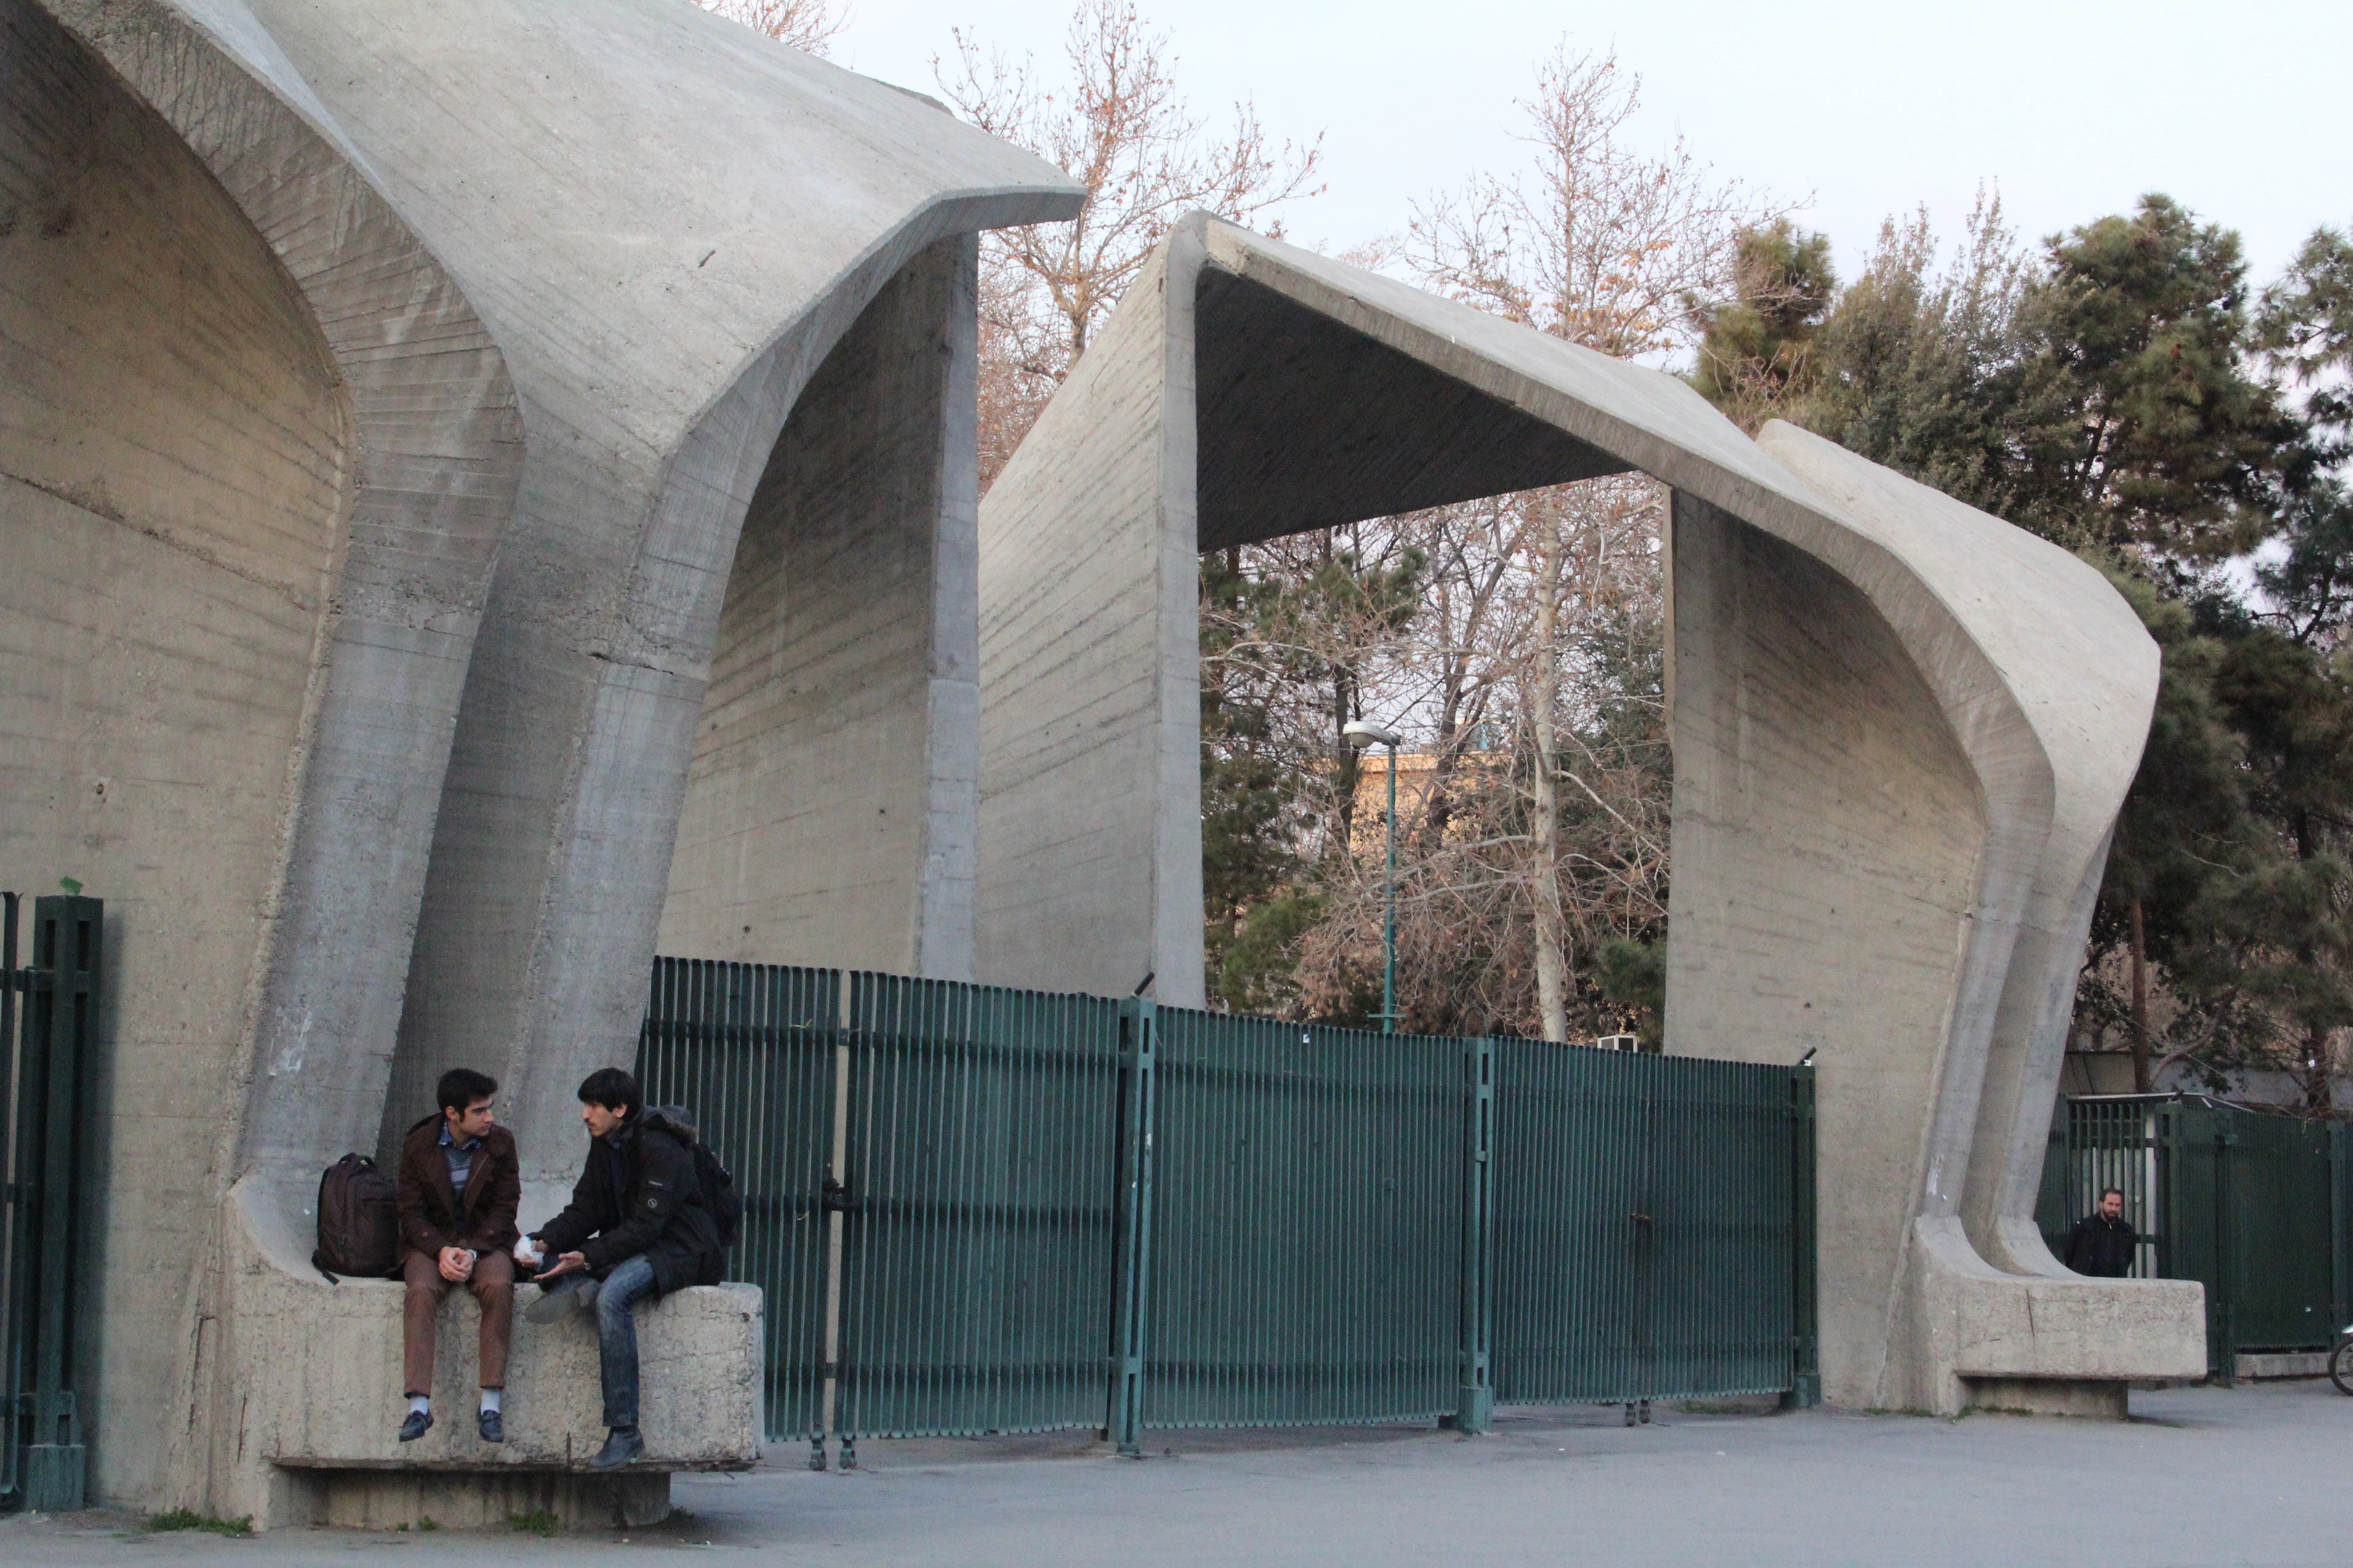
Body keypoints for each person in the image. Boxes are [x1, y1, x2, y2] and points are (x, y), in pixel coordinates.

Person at [515, 1068, 722, 1470]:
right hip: (635, 1242)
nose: (585, 1115)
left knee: (614, 1298)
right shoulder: (605, 1144)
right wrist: (541, 1241)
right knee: (550, 1263)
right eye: (585, 1106)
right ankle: (581, 1282)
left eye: (593, 1106)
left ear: (621, 1109)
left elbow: (648, 1227)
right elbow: (586, 1209)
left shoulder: (660, 1148)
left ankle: (626, 1432)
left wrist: (590, 1256)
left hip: (679, 1249)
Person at [395, 1067, 521, 1443]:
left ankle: (491, 1404)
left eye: (490, 1108)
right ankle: (418, 1407)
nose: (490, 1117)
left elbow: (506, 1206)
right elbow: (410, 1212)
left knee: (499, 1283)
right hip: (431, 1242)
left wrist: (470, 1249)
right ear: (453, 1113)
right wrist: (441, 1249)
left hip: (486, 1240)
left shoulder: (500, 1143)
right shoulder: (418, 1145)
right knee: (419, 1290)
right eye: (480, 1111)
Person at [2065, 1186, 2138, 1278]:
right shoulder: (2084, 1227)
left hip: (2115, 1282)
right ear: (2101, 1204)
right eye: (2110, 1204)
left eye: (2117, 1205)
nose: (2114, 1209)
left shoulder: (2126, 1230)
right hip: (2087, 1281)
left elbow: (2129, 1256)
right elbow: (2069, 1254)